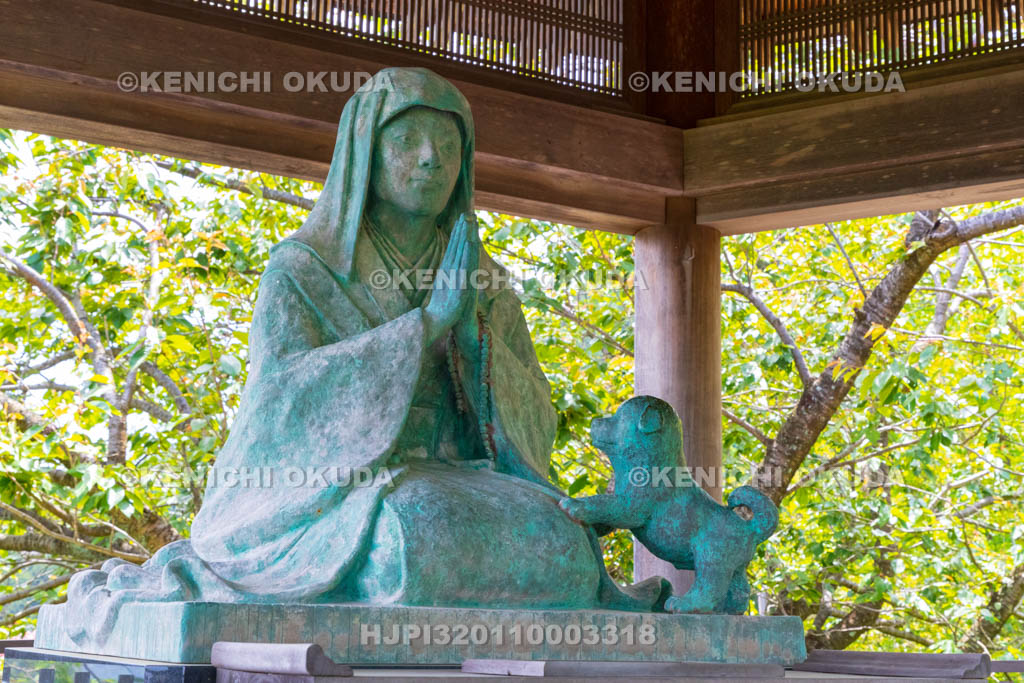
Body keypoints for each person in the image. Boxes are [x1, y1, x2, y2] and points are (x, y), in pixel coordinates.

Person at [60, 68, 667, 648]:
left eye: (448, 144)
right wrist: (425, 324)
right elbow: (281, 404)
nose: (430, 158)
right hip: (336, 494)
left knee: (561, 535)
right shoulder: (302, 270)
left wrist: (474, 339)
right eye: (406, 139)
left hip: (463, 480)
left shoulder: (483, 279)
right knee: (415, 532)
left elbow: (535, 419)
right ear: (363, 153)